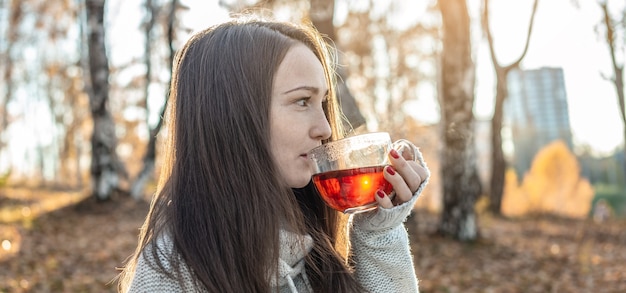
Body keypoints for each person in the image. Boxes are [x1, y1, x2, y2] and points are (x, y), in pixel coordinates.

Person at [117, 15, 430, 293]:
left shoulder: (312, 247)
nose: (325, 129)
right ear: (232, 115)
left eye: (322, 102)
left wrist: (379, 235)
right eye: (302, 101)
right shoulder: (170, 277)